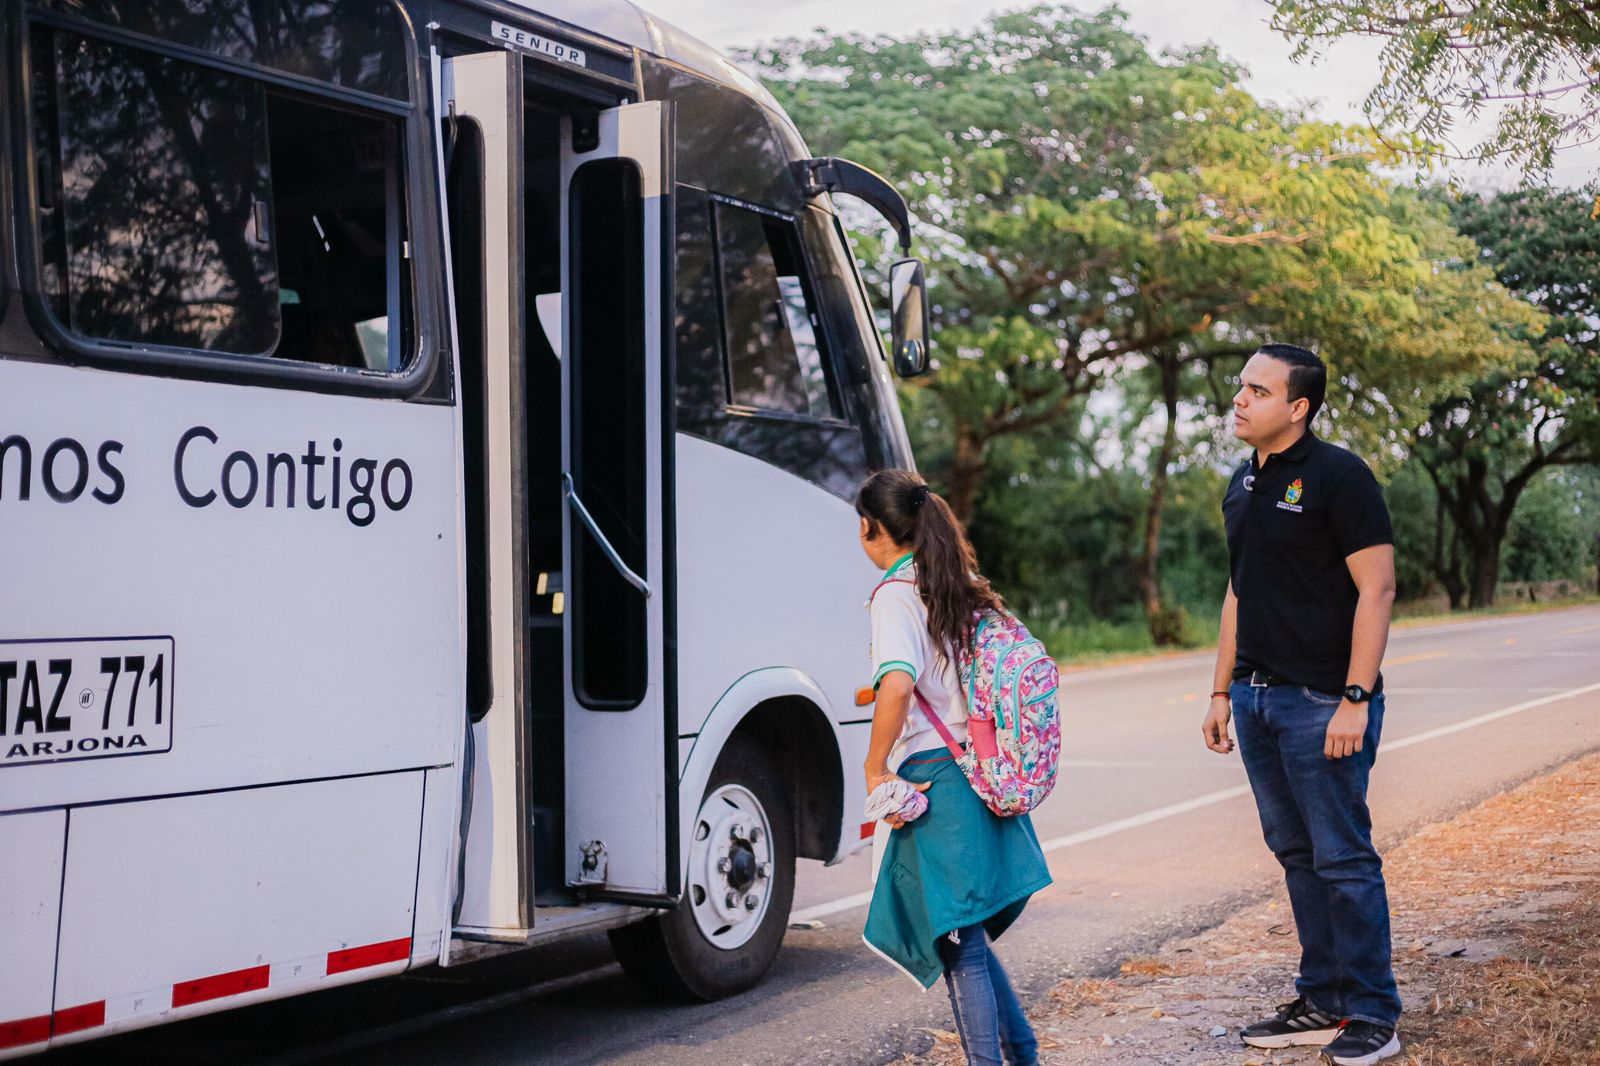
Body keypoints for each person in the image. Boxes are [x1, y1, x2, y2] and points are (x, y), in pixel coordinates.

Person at [1201, 344, 1402, 1066]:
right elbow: (1238, 590)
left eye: (1258, 390)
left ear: (1299, 407)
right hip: (1256, 698)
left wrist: (1355, 696)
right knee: (1295, 854)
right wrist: (1222, 690)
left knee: (1343, 858)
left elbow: (1376, 590)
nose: (1240, 399)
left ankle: (1374, 1013)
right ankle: (1324, 999)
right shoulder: (1241, 483)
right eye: (1241, 387)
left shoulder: (1339, 477)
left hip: (1323, 701)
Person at [855, 469, 1052, 1066]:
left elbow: (897, 683)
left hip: (941, 780)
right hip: (981, 768)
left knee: (958, 942)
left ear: (872, 529)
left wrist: (873, 767)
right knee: (964, 929)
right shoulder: (955, 580)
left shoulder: (894, 594)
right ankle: (1023, 1051)